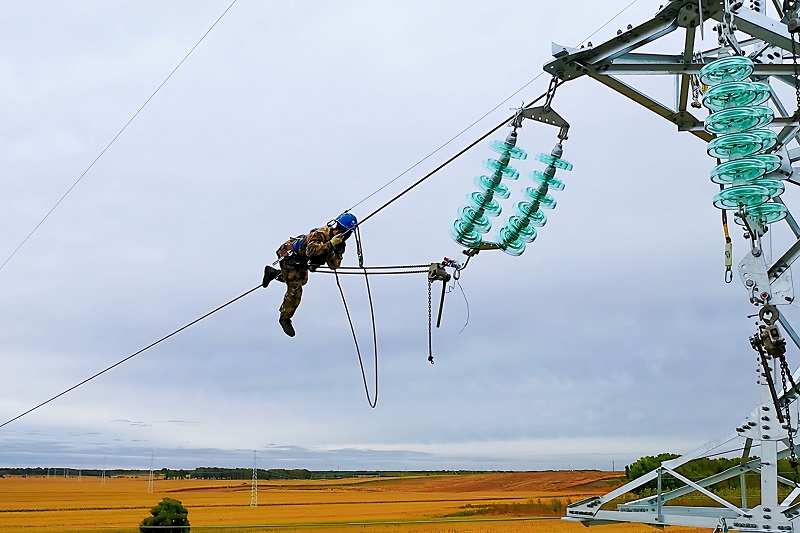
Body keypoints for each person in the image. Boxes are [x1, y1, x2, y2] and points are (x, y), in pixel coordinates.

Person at [262, 213, 357, 337]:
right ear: (336, 227)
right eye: (341, 230)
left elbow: (335, 265)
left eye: (346, 232)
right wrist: (330, 244)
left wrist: (332, 252)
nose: (342, 233)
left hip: (300, 261)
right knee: (295, 289)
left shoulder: (340, 243)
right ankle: (284, 317)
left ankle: (273, 273)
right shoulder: (322, 233)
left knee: (302, 280)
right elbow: (311, 251)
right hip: (289, 255)